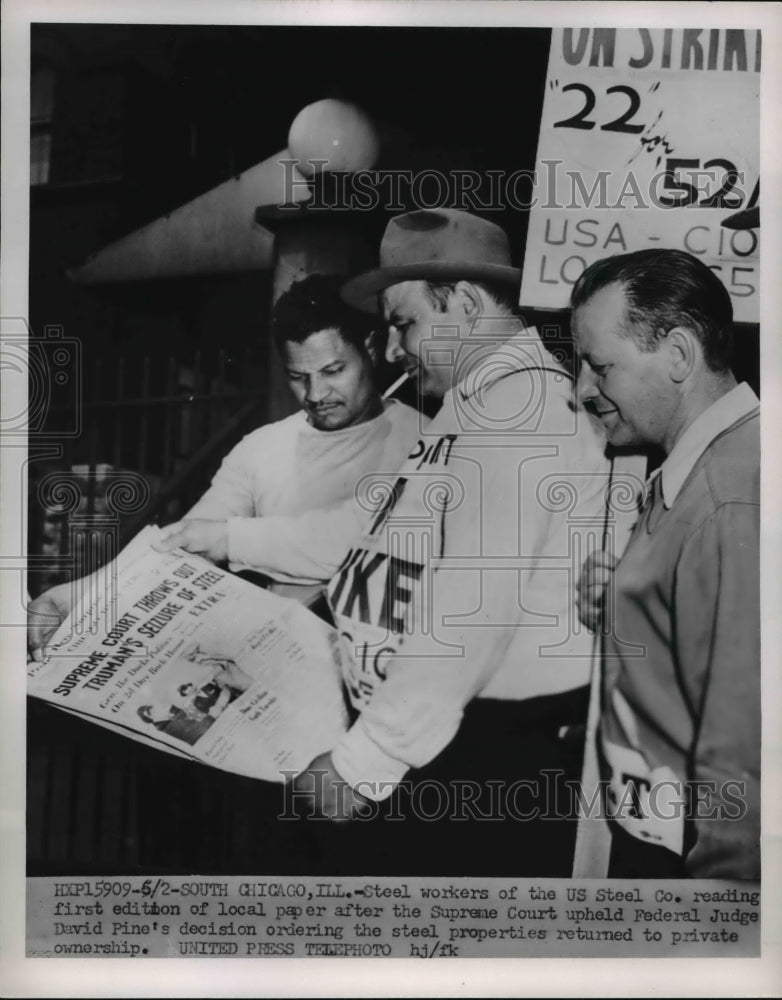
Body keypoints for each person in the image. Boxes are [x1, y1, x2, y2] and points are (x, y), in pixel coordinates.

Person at [293, 208, 636, 875]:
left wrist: (364, 763)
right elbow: (381, 536)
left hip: (484, 759)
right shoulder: (474, 406)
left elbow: (471, 609)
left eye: (404, 322)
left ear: (469, 304)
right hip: (445, 745)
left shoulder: (519, 412)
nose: (392, 350)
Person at [27, 274, 420, 656]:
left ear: (370, 348)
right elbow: (183, 545)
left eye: (333, 372)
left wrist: (227, 539)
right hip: (281, 664)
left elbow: (361, 544)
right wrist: (80, 596)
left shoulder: (424, 440)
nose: (316, 394)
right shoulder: (262, 448)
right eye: (298, 377)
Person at [571, 248, 759, 880]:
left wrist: (720, 931)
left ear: (679, 354)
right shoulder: (702, 467)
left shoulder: (732, 495)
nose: (582, 391)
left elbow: (748, 758)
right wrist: (628, 606)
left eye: (599, 367)